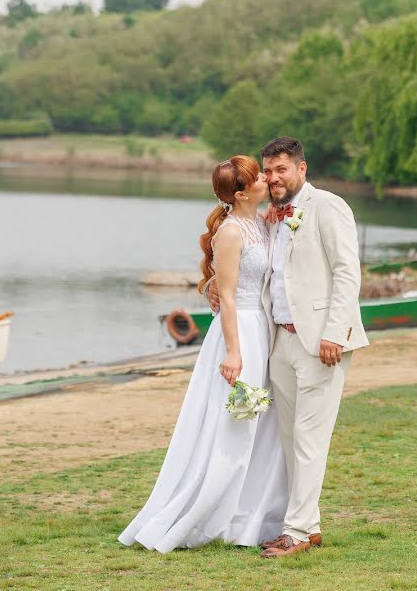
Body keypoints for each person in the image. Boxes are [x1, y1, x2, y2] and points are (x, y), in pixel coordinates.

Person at [208, 137, 369, 558]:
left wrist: (334, 332)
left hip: (321, 341)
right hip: (279, 340)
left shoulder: (328, 206)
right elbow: (253, 269)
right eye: (269, 170)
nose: (274, 177)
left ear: (301, 168)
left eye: (282, 169)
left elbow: (347, 273)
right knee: (288, 439)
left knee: (310, 439)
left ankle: (295, 532)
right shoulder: (272, 217)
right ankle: (308, 526)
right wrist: (212, 287)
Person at [118, 155, 288, 553]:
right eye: (258, 176)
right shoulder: (231, 232)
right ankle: (203, 513)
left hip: (261, 328)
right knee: (234, 422)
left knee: (259, 425)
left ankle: (248, 514)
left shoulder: (258, 222)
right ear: (243, 192)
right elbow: (227, 296)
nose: (267, 178)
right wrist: (233, 352)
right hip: (239, 330)